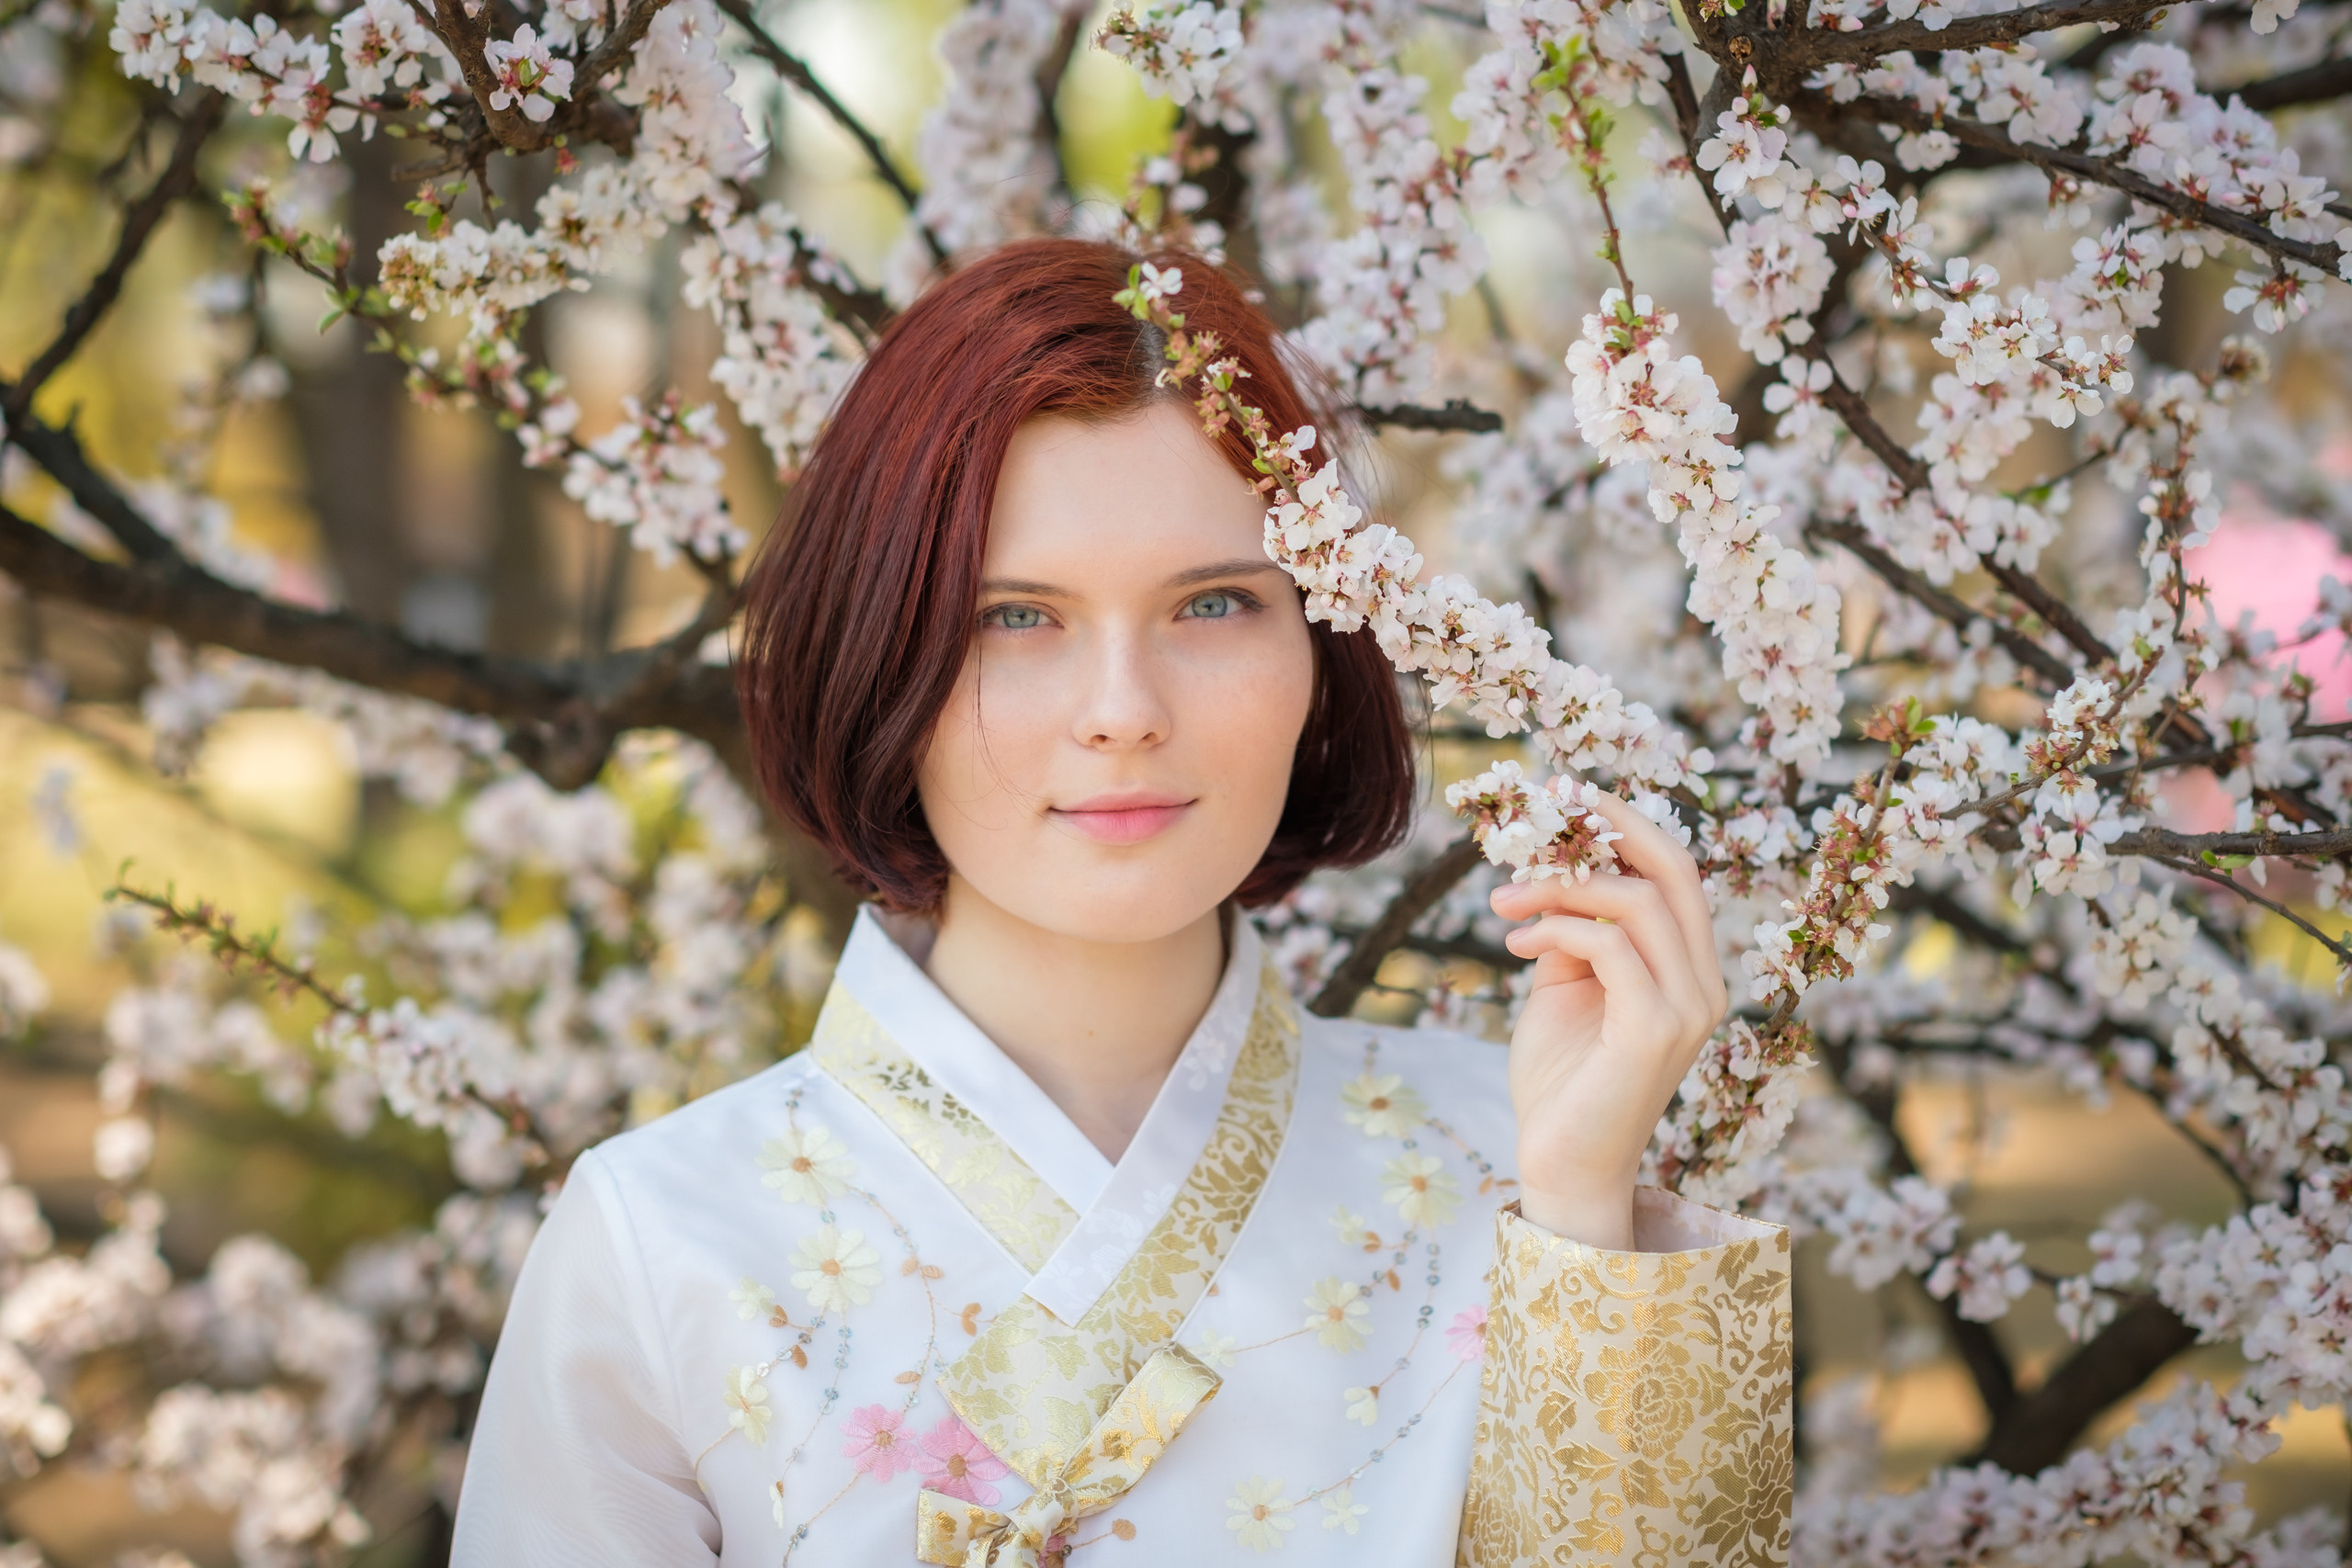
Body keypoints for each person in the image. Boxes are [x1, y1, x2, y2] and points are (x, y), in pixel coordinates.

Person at [450, 239, 1791, 1567]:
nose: (1124, 716)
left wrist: (1580, 1214)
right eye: (1013, 619)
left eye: (1212, 604)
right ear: (883, 652)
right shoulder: (660, 1241)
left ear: (1320, 642)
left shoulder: (1530, 1163)